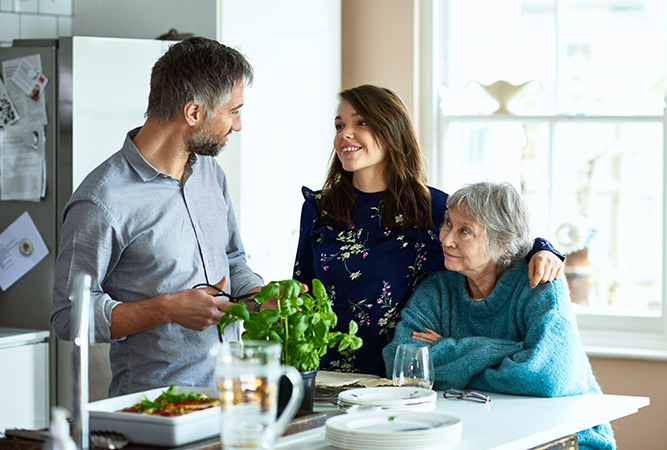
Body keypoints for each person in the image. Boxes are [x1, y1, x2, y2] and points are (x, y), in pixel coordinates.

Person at [293, 85, 565, 376]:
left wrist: (544, 248)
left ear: (392, 130)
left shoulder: (433, 208)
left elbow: (496, 240)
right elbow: (302, 289)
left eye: (361, 122)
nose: (345, 133)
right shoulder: (319, 208)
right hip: (323, 373)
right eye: (339, 125)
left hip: (401, 376)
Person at [51, 37, 264, 397]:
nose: (238, 124)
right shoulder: (101, 200)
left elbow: (232, 259)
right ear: (194, 113)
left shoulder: (211, 174)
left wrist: (259, 295)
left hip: (226, 396)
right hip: (154, 405)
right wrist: (167, 309)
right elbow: (69, 316)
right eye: (233, 110)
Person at [383, 181, 615, 450]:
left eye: (465, 231)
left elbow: (546, 375)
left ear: (502, 243)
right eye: (448, 223)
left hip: (564, 438)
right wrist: (515, 351)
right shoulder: (438, 288)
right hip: (481, 433)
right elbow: (402, 363)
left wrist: (446, 352)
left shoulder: (540, 283)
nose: (446, 239)